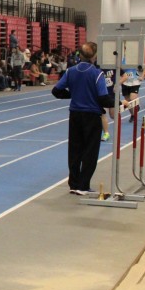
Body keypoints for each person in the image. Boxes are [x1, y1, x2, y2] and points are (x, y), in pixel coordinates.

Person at [52, 42, 114, 195]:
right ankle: (83, 185)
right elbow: (103, 99)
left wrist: (73, 94)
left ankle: (73, 184)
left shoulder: (70, 71)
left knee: (74, 150)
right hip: (92, 115)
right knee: (90, 151)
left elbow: (56, 91)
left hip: (75, 115)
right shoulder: (97, 73)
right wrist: (119, 102)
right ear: (94, 56)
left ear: (79, 55)